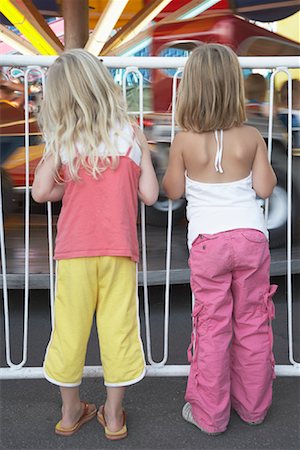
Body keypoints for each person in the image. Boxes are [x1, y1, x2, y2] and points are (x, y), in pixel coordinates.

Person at [32, 49, 159, 440]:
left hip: (74, 252)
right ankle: (115, 415)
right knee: (118, 328)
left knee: (69, 329)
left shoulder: (65, 140)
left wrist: (63, 174)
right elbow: (150, 195)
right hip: (119, 251)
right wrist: (147, 158)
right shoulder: (128, 135)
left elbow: (41, 193)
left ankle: (70, 413)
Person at [162, 44, 278, 435]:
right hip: (249, 238)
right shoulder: (251, 136)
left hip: (208, 244)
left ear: (190, 88)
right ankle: (254, 408)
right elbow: (265, 189)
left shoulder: (183, 140)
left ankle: (210, 416)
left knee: (211, 326)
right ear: (235, 87)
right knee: (252, 322)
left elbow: (174, 190)